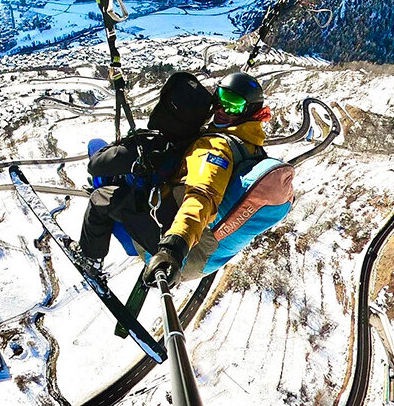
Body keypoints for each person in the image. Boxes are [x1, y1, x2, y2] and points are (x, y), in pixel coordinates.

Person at [75, 71, 271, 288]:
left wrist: (173, 249)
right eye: (221, 97)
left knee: (100, 197)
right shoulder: (250, 144)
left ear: (251, 111)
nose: (222, 109)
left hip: (179, 251)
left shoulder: (214, 147)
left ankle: (89, 259)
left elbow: (202, 196)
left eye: (234, 105)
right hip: (208, 247)